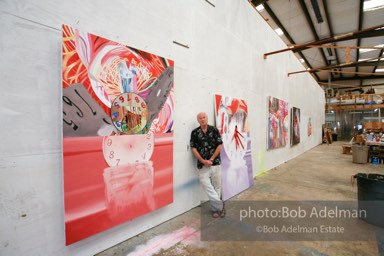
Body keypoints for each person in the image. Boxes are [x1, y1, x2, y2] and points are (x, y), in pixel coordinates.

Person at [190, 112, 225, 218]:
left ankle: (216, 210)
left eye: (204, 117)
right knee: (206, 185)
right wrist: (202, 160)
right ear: (198, 120)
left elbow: (219, 145)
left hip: (215, 163)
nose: (202, 119)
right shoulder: (195, 132)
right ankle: (220, 206)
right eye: (200, 118)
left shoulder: (214, 130)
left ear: (207, 118)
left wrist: (211, 159)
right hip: (202, 165)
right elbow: (193, 148)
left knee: (217, 186)